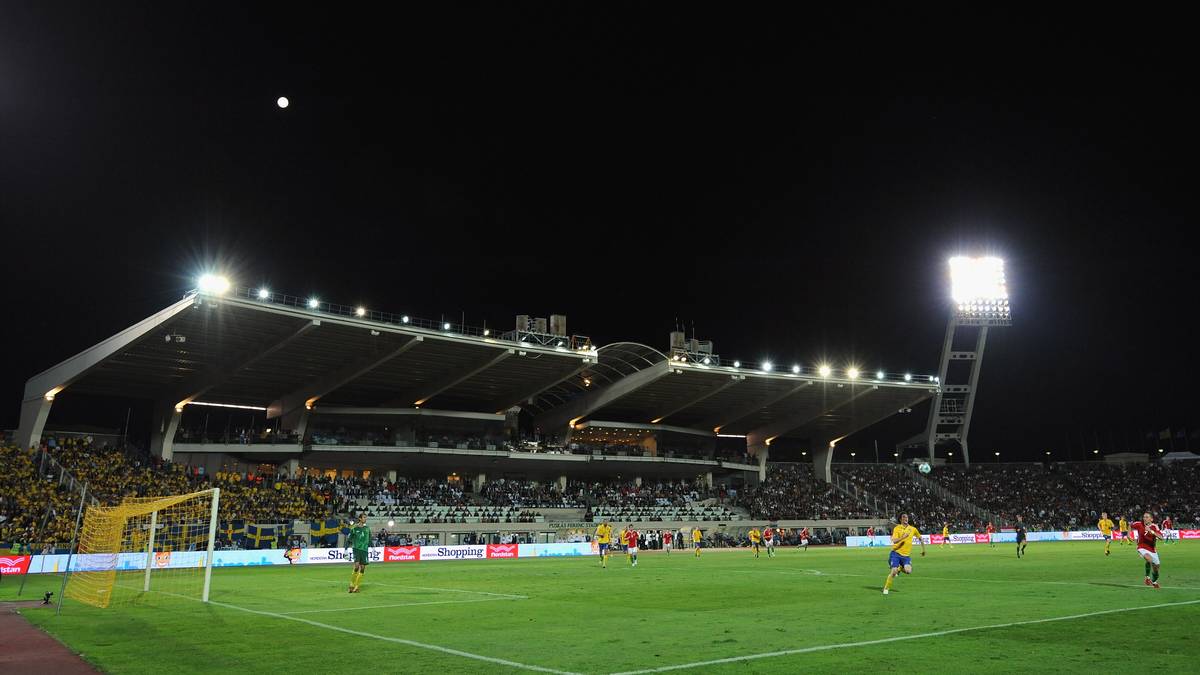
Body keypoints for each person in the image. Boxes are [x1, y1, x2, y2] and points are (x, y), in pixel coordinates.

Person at [883, 513, 925, 595]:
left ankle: (899, 568)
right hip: (896, 553)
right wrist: (903, 537)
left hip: (906, 556)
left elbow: (920, 538)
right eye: (904, 517)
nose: (906, 518)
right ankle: (886, 588)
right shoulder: (897, 528)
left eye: (907, 517)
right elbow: (894, 541)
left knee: (908, 571)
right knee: (894, 571)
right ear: (900, 519)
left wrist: (923, 550)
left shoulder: (913, 529)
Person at [1131, 512, 1163, 588]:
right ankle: (1147, 577)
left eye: (1147, 517)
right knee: (1149, 559)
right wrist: (1129, 535)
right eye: (1144, 517)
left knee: (1156, 569)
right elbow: (1130, 525)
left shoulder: (1155, 527)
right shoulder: (1139, 524)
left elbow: (1161, 537)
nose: (1145, 518)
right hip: (1141, 547)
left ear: (1151, 519)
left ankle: (1154, 581)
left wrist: (1151, 531)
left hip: (1152, 549)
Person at [346, 513, 370, 593]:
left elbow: (370, 539)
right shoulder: (354, 528)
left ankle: (356, 586)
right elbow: (349, 539)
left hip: (364, 550)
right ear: (360, 519)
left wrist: (373, 547)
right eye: (364, 517)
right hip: (356, 549)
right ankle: (351, 585)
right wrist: (346, 549)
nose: (365, 519)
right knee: (356, 566)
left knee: (362, 568)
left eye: (365, 517)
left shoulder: (367, 528)